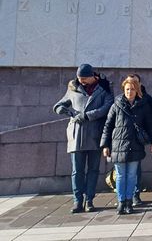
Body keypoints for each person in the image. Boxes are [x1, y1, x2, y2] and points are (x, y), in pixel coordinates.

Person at [53, 64, 114, 214]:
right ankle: (77, 200)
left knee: (93, 170)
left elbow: (107, 107)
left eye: (84, 78)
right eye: (80, 78)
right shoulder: (73, 87)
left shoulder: (104, 87)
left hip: (95, 134)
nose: (82, 81)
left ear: (92, 76)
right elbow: (59, 104)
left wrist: (88, 115)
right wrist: (64, 110)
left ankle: (89, 200)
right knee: (77, 170)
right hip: (76, 134)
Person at [100, 77, 152, 215]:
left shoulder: (143, 105)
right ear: (123, 90)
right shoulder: (116, 105)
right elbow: (108, 125)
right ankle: (121, 202)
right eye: (127, 89)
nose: (129, 92)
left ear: (137, 90)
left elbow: (150, 125)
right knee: (120, 175)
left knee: (132, 175)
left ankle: (129, 201)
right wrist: (105, 145)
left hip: (135, 145)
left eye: (132, 89)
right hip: (118, 145)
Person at [125, 73, 152, 207]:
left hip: (137, 140)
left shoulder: (146, 99)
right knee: (122, 172)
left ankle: (135, 195)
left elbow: (151, 121)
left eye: (135, 83)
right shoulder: (120, 100)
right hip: (123, 139)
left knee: (135, 169)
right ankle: (124, 197)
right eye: (130, 84)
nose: (132, 86)